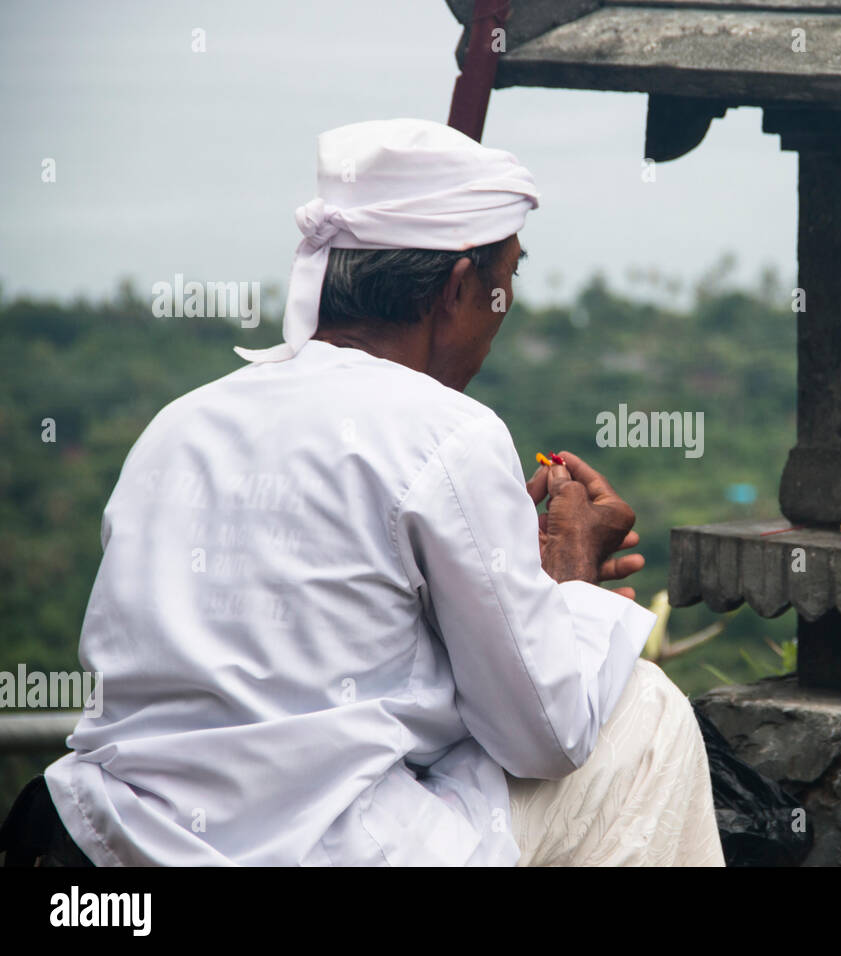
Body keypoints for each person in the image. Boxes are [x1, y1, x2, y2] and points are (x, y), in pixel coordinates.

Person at [25, 119, 725, 866]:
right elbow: (545, 738)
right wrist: (569, 578)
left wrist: (509, 578)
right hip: (322, 851)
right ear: (458, 288)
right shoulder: (450, 434)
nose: (506, 306)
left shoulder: (177, 425)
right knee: (648, 713)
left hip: (121, 841)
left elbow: (307, 662)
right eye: (507, 278)